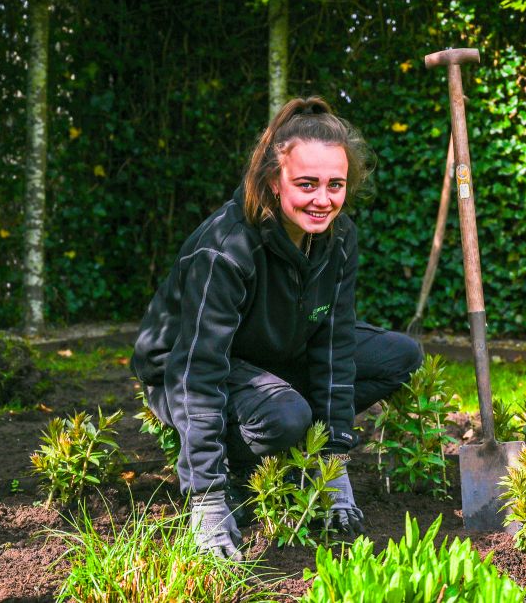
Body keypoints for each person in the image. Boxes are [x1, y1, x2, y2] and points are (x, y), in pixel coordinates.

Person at [130, 96, 423, 560]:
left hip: (274, 352)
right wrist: (206, 497)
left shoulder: (338, 238)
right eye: (307, 184)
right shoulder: (226, 250)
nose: (323, 200)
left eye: (336, 185)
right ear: (272, 180)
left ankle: (286, 429)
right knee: (286, 418)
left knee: (400, 356)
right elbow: (198, 370)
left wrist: (333, 461)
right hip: (186, 370)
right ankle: (242, 472)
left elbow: (334, 342)